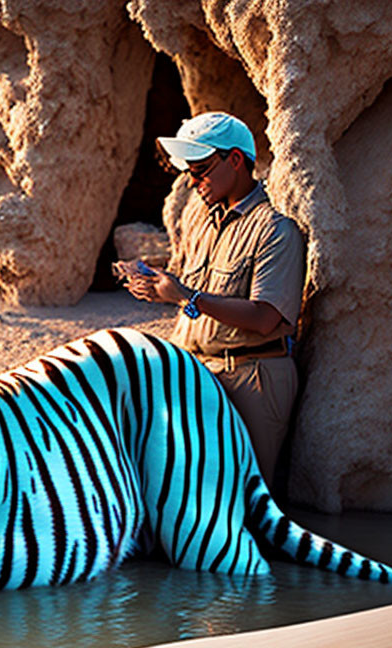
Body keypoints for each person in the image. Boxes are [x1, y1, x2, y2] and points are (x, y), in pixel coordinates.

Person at [123, 111, 305, 487]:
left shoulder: (276, 230)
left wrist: (186, 296)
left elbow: (265, 318)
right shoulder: (200, 220)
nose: (192, 180)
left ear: (235, 160)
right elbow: (191, 292)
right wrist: (158, 288)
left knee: (245, 499)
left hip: (251, 378)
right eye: (189, 170)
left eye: (201, 168)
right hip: (196, 371)